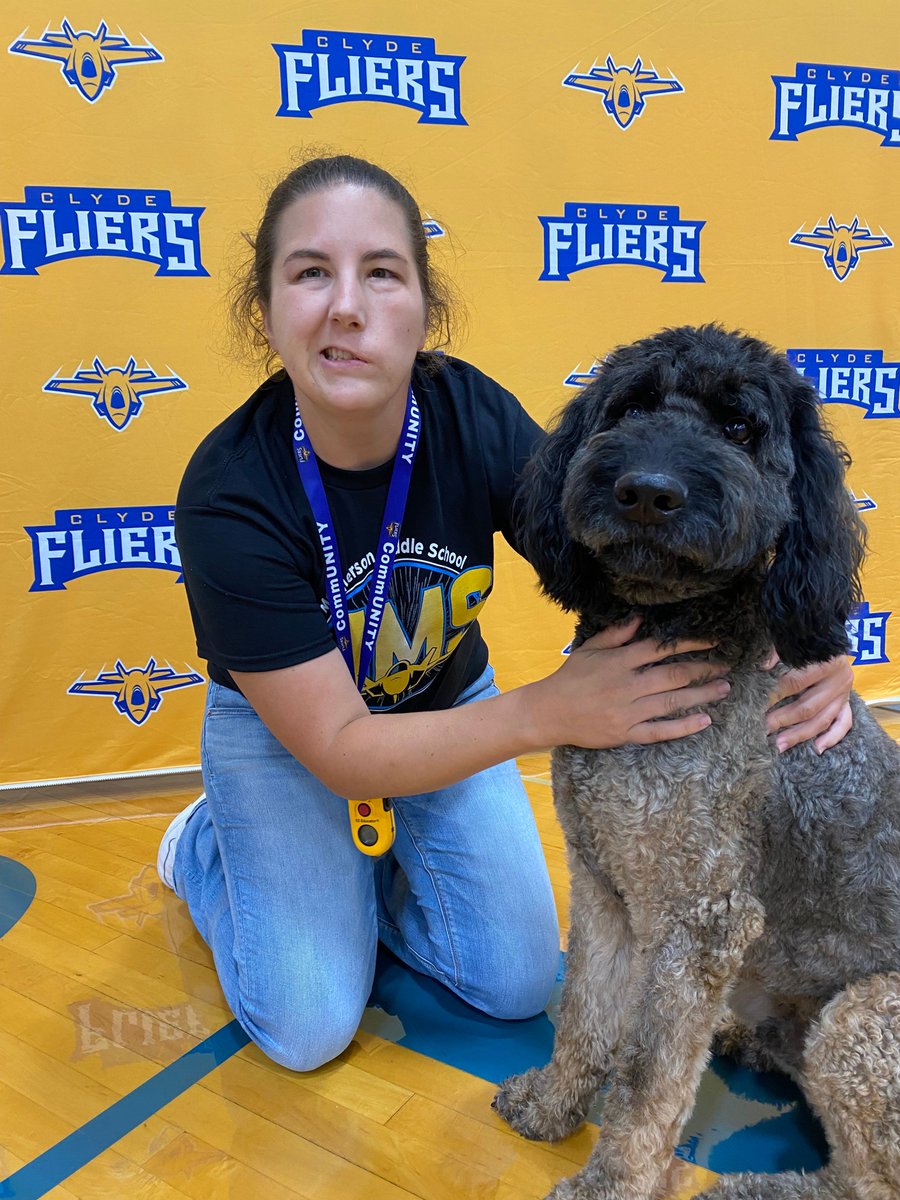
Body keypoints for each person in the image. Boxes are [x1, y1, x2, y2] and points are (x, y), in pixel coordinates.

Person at [162, 153, 854, 1073]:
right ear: (266, 312)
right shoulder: (228, 495)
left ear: (423, 307)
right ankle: (208, 846)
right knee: (306, 1029)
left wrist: (809, 637)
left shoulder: (469, 416)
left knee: (518, 982)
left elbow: (614, 549)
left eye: (381, 272)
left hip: (450, 706)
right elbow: (338, 746)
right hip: (293, 742)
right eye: (309, 273)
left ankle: (356, 875)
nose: (346, 306)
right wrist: (546, 711)